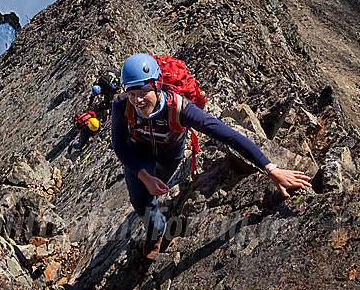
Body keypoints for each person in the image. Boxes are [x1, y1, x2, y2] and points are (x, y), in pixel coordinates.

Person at [111, 53, 312, 260]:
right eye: (132, 93)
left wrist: (271, 169)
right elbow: (119, 145)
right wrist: (144, 176)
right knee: (140, 199)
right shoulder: (122, 106)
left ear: (157, 85)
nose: (138, 100)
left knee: (153, 190)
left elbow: (230, 136)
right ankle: (156, 232)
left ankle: (154, 218)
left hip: (170, 155)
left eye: (144, 91)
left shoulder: (182, 109)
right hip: (137, 152)